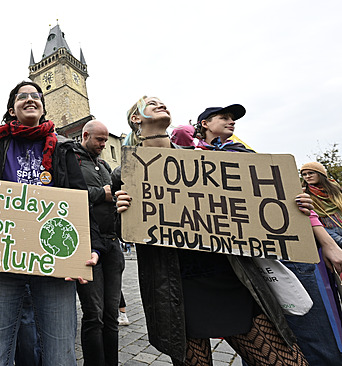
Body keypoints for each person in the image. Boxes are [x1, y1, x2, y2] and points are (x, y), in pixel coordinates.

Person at [115, 97, 310, 366]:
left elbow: (249, 206)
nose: (161, 104)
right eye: (151, 103)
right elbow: (118, 231)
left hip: (229, 276)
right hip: (177, 288)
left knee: (288, 362)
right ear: (136, 118)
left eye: (162, 101)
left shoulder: (204, 162)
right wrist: (121, 212)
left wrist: (291, 205)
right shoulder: (124, 172)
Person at [0, 60, 101, 366]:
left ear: (42, 108)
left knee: (60, 355)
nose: (30, 98)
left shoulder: (63, 150)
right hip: (2, 265)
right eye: (22, 95)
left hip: (55, 262)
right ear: (12, 110)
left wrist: (89, 250)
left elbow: (80, 203)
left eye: (36, 95)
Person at [198, 107, 342, 365]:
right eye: (224, 117)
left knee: (313, 336)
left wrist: (327, 242)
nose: (231, 122)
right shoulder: (190, 159)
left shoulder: (246, 155)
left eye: (233, 119)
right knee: (265, 342)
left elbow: (291, 202)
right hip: (237, 265)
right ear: (205, 124)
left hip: (282, 255)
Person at [73, 120, 124, 366]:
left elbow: (111, 193)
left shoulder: (103, 164)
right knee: (94, 315)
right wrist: (99, 194)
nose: (104, 145)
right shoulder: (71, 160)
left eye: (106, 141)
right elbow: (67, 196)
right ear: (85, 135)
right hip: (86, 244)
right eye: (100, 140)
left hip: (112, 243)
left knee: (111, 315)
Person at [301, 161, 342, 247]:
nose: (307, 176)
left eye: (311, 173)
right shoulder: (304, 193)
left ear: (321, 174)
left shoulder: (335, 188)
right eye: (304, 174)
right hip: (324, 229)